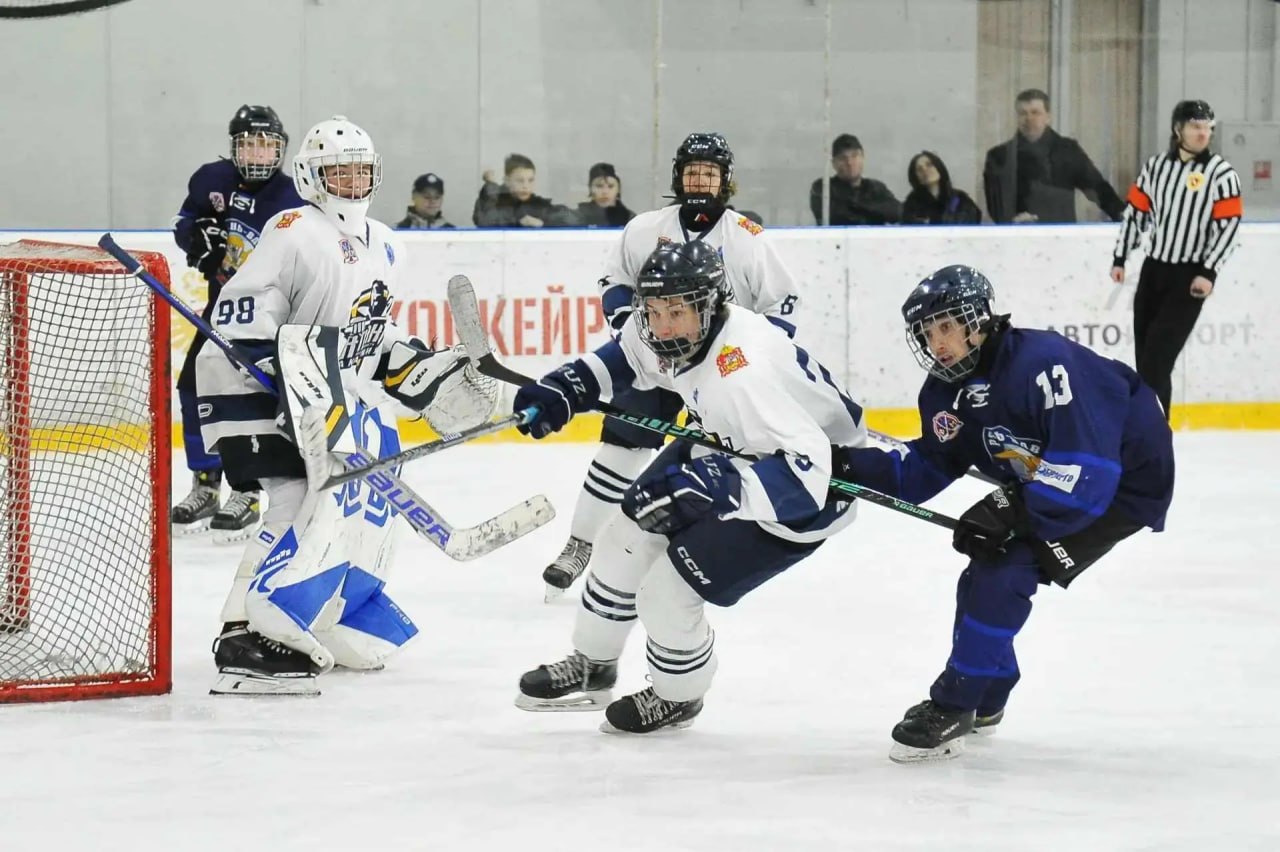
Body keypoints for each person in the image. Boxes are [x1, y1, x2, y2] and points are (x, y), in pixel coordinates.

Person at [511, 241, 866, 733]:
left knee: (666, 589)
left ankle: (679, 695)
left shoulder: (742, 374)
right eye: (653, 311)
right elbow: (624, 357)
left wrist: (715, 487)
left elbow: (808, 473)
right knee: (623, 537)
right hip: (731, 445)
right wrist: (563, 387)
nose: (662, 326)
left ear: (710, 304)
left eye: (676, 312)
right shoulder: (676, 328)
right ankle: (593, 663)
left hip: (806, 491)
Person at [194, 115, 490, 694]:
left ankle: (298, 614)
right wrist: (289, 388)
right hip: (247, 384)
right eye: (338, 170)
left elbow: (370, 338)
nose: (352, 181)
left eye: (361, 170)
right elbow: (242, 324)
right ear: (312, 175)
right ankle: (241, 635)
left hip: (319, 389)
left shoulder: (387, 244)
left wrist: (425, 374)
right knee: (295, 496)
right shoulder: (293, 228)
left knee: (329, 504)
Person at [834, 265, 1174, 762]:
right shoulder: (945, 391)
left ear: (978, 320)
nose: (937, 344)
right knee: (982, 571)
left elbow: (1088, 475)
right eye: (927, 333)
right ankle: (986, 697)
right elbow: (930, 464)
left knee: (1004, 567)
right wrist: (843, 465)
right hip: (1059, 472)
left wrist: (1010, 508)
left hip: (1124, 479)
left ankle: (957, 702)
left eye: (947, 326)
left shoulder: (1043, 364)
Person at [540, 131, 802, 601]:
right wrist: (633, 337)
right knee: (621, 448)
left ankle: (670, 565)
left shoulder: (747, 240)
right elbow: (616, 282)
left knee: (713, 471)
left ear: (725, 181)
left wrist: (758, 362)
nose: (700, 180)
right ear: (678, 176)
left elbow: (782, 305)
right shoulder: (644, 228)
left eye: (710, 172)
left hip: (720, 375)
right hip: (656, 363)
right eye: (692, 171)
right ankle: (579, 545)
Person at [170, 104, 303, 542]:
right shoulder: (214, 180)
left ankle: (247, 490)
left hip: (270, 321)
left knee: (252, 402)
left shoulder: (294, 197)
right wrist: (197, 236)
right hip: (221, 314)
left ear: (280, 150)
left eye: (266, 144)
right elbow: (187, 221)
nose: (257, 152)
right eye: (248, 142)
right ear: (233, 147)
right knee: (193, 387)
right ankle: (206, 484)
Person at [1111, 99, 1242, 420]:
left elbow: (1228, 229)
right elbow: (1136, 213)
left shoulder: (1221, 173)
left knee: (1158, 357)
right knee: (1145, 359)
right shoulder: (1156, 167)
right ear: (1178, 129)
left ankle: (1154, 432)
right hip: (1153, 270)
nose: (1203, 134)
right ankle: (1149, 429)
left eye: (1207, 128)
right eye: (1196, 126)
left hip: (1189, 277)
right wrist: (1121, 256)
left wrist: (1208, 272)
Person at [983, 89, 1124, 224]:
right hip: (1019, 236)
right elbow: (995, 202)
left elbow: (1097, 188)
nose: (1029, 119)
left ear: (1048, 117)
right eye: (1023, 113)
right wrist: (1012, 221)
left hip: (1061, 236)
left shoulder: (1067, 151)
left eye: (1035, 112)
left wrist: (1123, 215)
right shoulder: (999, 156)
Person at [809, 134, 901, 225]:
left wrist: (856, 206)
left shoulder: (876, 187)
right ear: (834, 163)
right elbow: (837, 217)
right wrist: (873, 208)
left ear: (863, 157)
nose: (849, 162)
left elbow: (897, 212)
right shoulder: (824, 188)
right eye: (842, 158)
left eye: (854, 155)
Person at [472, 153, 577, 227]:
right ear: (507, 181)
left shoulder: (538, 204)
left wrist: (544, 223)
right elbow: (484, 220)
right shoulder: (494, 200)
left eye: (530, 180)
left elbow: (572, 219)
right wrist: (490, 185)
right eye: (520, 180)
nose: (526, 186)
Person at [902, 151, 982, 225]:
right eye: (919, 169)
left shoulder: (960, 199)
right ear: (916, 177)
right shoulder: (911, 206)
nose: (925, 170)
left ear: (939, 168)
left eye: (929, 165)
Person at [574, 162, 635, 227]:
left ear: (618, 189)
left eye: (611, 186)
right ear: (590, 189)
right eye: (599, 186)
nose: (605, 192)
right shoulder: (577, 217)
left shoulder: (630, 220)